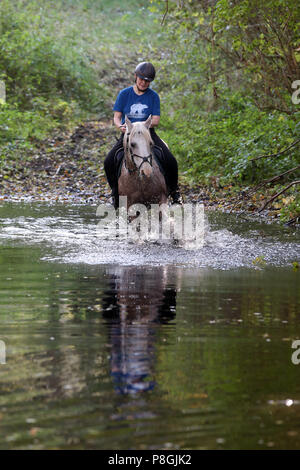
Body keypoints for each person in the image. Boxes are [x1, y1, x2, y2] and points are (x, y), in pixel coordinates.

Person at [104, 62, 182, 208]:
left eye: (147, 81)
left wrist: (140, 126)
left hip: (147, 134)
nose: (144, 83)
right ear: (135, 77)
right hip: (128, 135)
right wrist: (120, 125)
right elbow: (117, 116)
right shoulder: (124, 94)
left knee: (170, 159)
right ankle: (115, 193)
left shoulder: (153, 96)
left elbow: (156, 120)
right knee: (109, 161)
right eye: (141, 79)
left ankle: (175, 192)